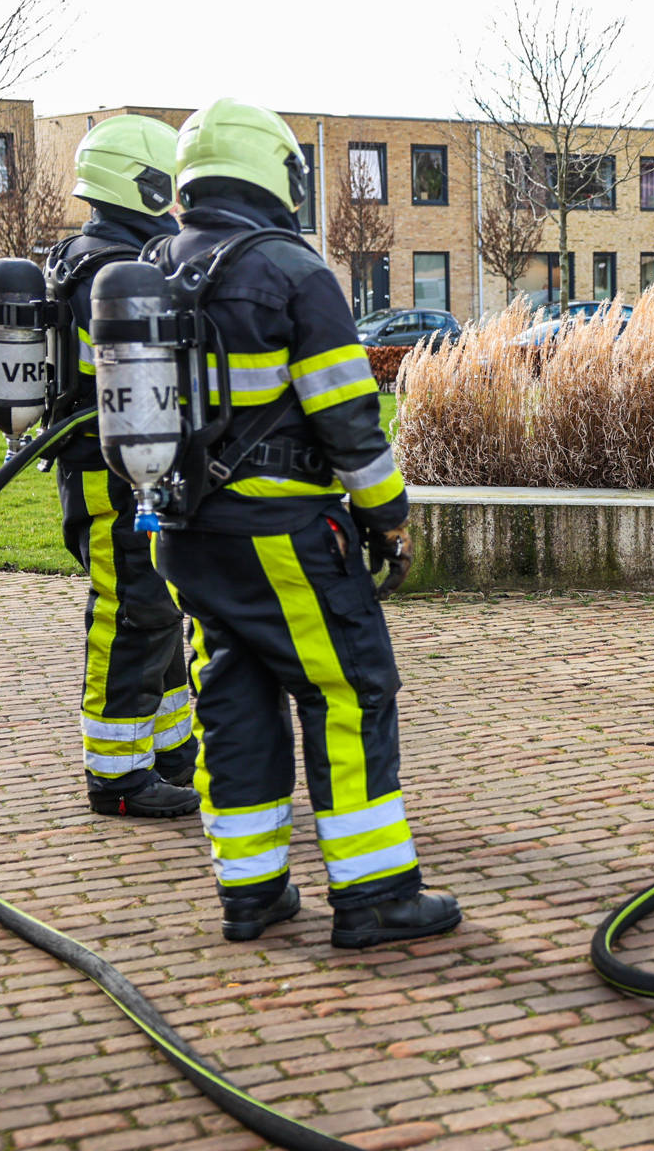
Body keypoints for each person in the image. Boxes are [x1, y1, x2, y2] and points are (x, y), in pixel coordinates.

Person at [148, 98, 459, 948]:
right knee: (350, 690)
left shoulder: (156, 264)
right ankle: (375, 898)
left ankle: (251, 892)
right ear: (273, 173)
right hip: (282, 534)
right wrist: (388, 517)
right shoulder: (290, 272)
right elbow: (349, 418)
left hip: (184, 534)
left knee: (234, 692)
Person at [51, 115, 200, 819]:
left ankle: (171, 756)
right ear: (139, 181)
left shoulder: (99, 257)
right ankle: (115, 777)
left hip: (128, 469)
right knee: (129, 611)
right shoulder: (107, 273)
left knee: (161, 610)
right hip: (109, 476)